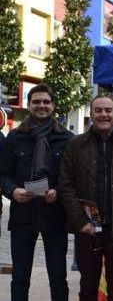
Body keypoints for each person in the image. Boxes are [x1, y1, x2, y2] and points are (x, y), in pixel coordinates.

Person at [59, 96, 113, 301]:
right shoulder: (76, 145)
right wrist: (80, 222)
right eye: (98, 110)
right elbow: (65, 185)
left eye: (108, 110)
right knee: (88, 287)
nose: (104, 114)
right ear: (91, 114)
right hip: (88, 230)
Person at [0, 84, 73, 301]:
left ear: (53, 106)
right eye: (37, 102)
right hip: (23, 214)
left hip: (55, 215)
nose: (41, 105)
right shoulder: (14, 138)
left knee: (58, 276)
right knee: (20, 276)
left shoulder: (67, 139)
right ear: (29, 105)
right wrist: (13, 191)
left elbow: (73, 178)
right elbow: (3, 174)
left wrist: (58, 192)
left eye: (46, 102)